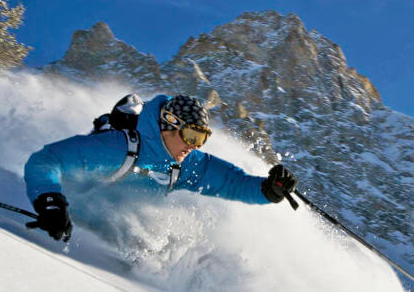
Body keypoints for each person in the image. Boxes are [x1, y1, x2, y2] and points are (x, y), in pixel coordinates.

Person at [24, 94, 298, 242]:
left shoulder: (185, 164)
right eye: (192, 136)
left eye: (201, 139)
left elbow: (231, 183)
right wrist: (50, 202)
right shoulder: (119, 148)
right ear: (168, 124)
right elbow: (46, 160)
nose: (194, 146)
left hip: (115, 244)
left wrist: (268, 190)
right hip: (65, 225)